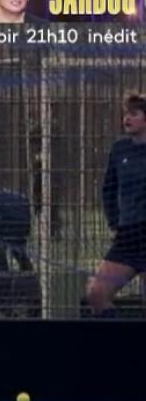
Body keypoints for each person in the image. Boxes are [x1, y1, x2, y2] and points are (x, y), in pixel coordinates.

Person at [87, 92, 146, 317]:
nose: (126, 119)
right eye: (125, 114)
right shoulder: (120, 148)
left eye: (133, 114)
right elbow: (108, 189)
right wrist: (114, 222)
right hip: (128, 235)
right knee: (96, 293)